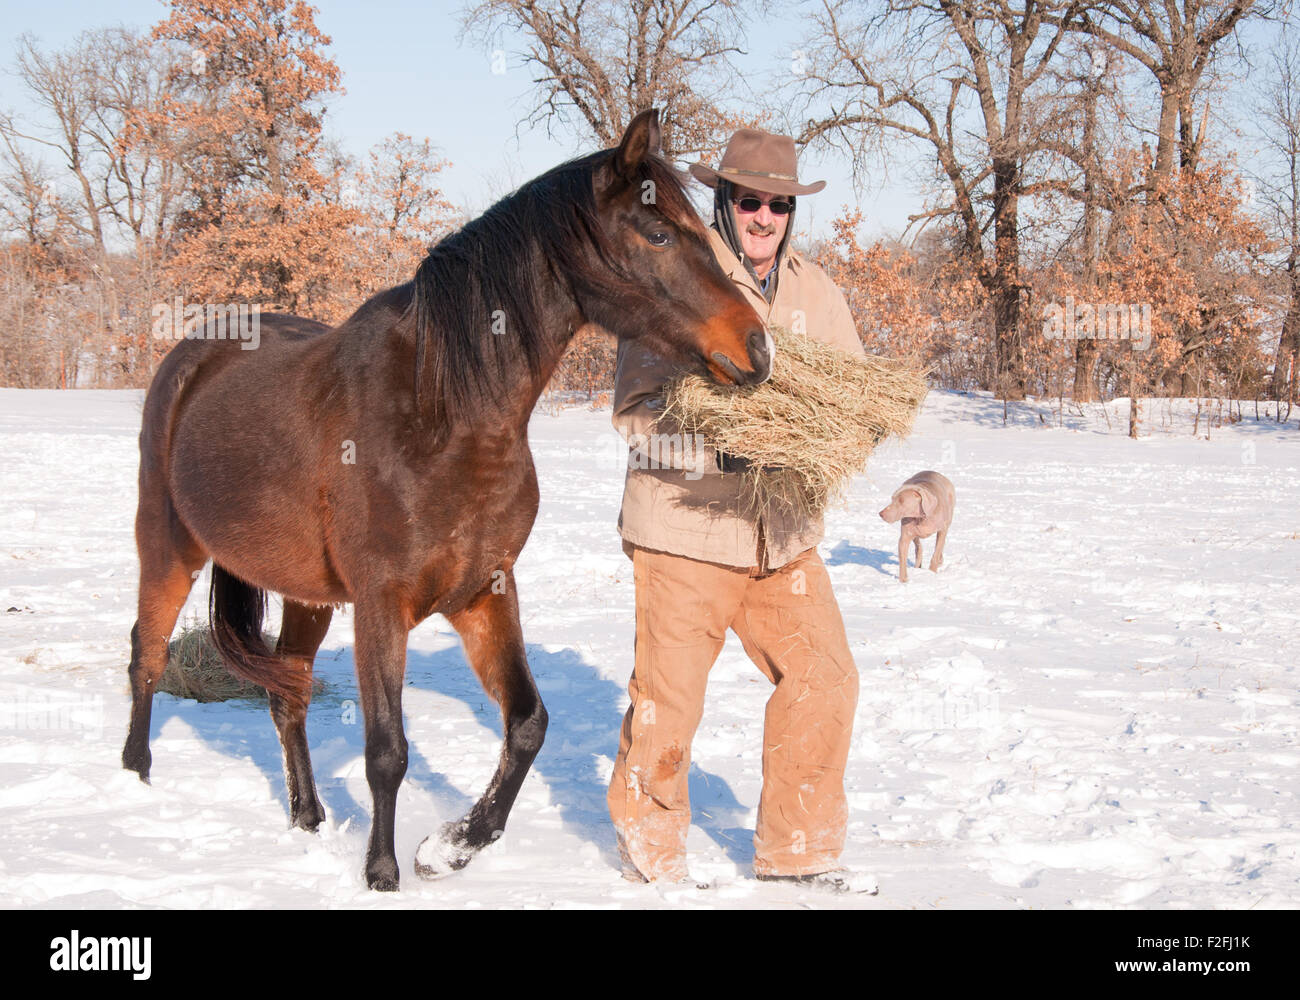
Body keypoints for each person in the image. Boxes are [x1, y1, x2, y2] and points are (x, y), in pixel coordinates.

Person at [606, 127, 875, 893]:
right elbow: (634, 413)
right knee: (670, 700)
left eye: (778, 204)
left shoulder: (817, 293)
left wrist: (871, 448)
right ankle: (650, 842)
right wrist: (727, 447)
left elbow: (853, 400)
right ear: (724, 200)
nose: (764, 216)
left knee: (826, 677)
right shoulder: (678, 278)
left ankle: (800, 848)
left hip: (781, 535)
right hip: (686, 529)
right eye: (750, 200)